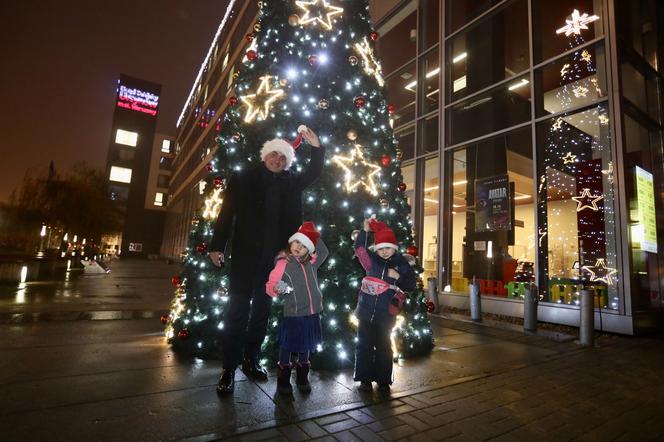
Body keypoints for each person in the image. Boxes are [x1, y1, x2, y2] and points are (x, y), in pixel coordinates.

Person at [208, 127, 324, 395]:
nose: (277, 160)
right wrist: (217, 246)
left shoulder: (291, 182)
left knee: (261, 313)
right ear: (265, 155)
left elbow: (314, 172)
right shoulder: (243, 178)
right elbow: (226, 214)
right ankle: (228, 368)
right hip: (244, 259)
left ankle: (251, 359)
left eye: (282, 158)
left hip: (274, 262)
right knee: (236, 312)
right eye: (274, 155)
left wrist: (317, 149)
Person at [353, 218, 416, 392]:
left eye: (388, 247)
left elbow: (411, 285)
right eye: (380, 248)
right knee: (364, 346)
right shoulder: (371, 262)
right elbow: (359, 250)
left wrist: (398, 277)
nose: (384, 252)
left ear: (394, 247)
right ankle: (364, 379)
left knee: (383, 347)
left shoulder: (401, 263)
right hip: (365, 313)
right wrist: (364, 231)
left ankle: (383, 380)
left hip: (385, 315)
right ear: (376, 249)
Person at [265, 221, 328, 395]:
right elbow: (270, 285)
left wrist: (315, 235)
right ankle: (283, 379)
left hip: (312, 312)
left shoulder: (312, 264)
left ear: (309, 249)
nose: (299, 247)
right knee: (288, 346)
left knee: (305, 346)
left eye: (304, 245)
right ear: (291, 243)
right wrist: (276, 288)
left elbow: (324, 252)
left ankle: (302, 377)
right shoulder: (283, 264)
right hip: (293, 314)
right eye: (296, 242)